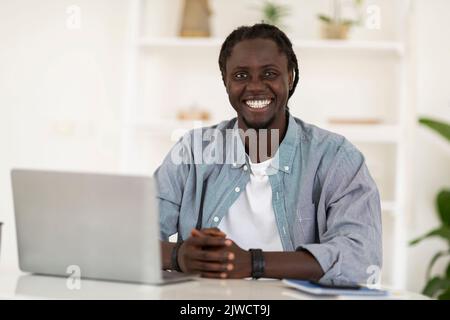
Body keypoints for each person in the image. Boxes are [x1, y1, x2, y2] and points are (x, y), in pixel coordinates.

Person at [155, 23, 382, 285]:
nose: (255, 87)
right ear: (225, 82)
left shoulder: (336, 157)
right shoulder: (193, 151)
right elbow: (132, 236)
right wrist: (179, 256)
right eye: (240, 76)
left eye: (269, 73)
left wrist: (253, 263)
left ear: (291, 77)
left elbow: (363, 259)